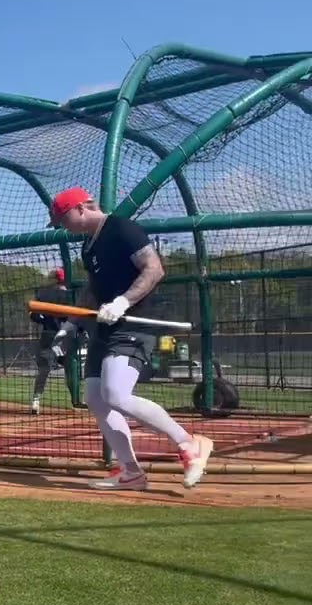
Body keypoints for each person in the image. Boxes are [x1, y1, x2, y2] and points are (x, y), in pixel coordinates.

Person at [49, 186, 212, 490]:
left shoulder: (121, 228)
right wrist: (71, 324)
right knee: (97, 399)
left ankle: (189, 443)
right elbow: (92, 292)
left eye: (63, 218)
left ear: (80, 209)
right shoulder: (88, 246)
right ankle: (131, 472)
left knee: (116, 394)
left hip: (133, 324)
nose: (63, 226)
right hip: (105, 328)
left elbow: (154, 269)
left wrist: (123, 301)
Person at [29, 268, 75, 414]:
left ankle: (36, 401)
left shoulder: (44, 294)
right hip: (66, 335)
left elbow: (34, 315)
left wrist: (43, 319)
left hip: (50, 334)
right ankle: (76, 400)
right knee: (71, 369)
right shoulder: (70, 295)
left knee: (44, 370)